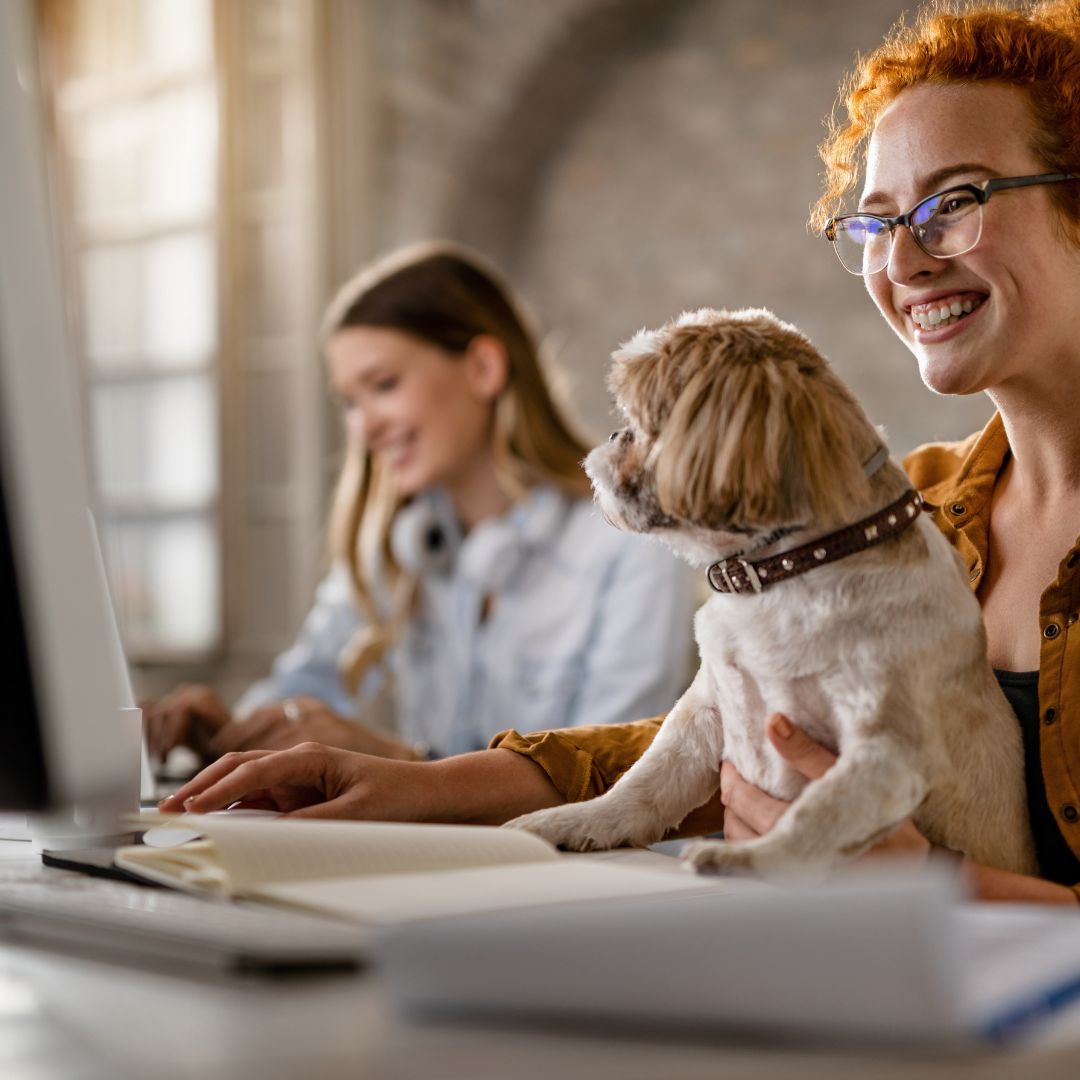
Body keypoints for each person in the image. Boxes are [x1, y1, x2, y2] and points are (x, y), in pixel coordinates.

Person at [162, 1, 1080, 906]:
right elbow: (714, 725)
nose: (906, 260)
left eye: (954, 202)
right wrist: (414, 787)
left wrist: (942, 884)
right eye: (878, 221)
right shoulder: (915, 500)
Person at [145, 242, 694, 764]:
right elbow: (302, 690)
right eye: (350, 402)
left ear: (483, 368)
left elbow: (610, 781)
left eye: (383, 384)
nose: (365, 427)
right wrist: (227, 732)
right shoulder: (400, 542)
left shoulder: (633, 548)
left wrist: (401, 767)